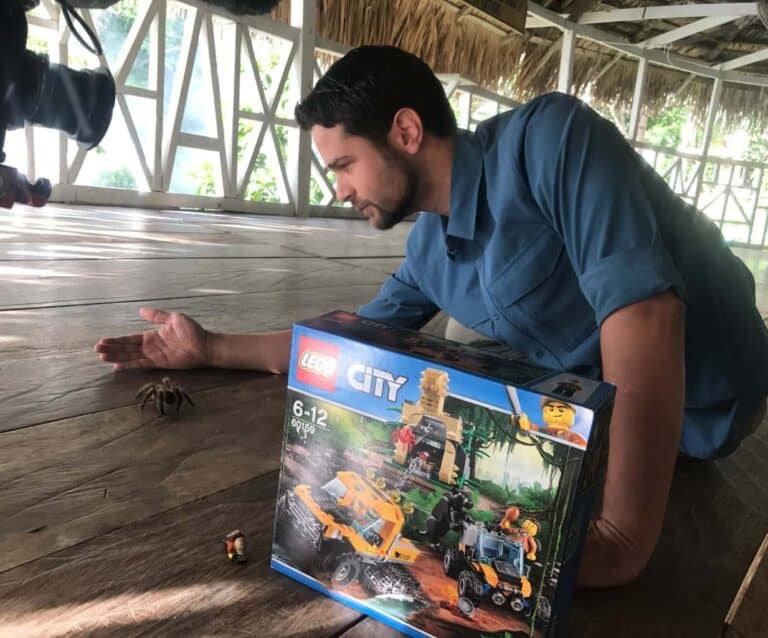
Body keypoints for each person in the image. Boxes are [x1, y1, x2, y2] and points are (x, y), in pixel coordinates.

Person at [94, 45, 768, 587]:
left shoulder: (552, 141)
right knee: (444, 343)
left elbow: (647, 314)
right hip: (600, 413)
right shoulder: (430, 250)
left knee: (463, 335)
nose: (342, 189)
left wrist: (621, 539)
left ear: (406, 131)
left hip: (713, 403)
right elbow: (346, 341)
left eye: (346, 165)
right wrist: (210, 346)